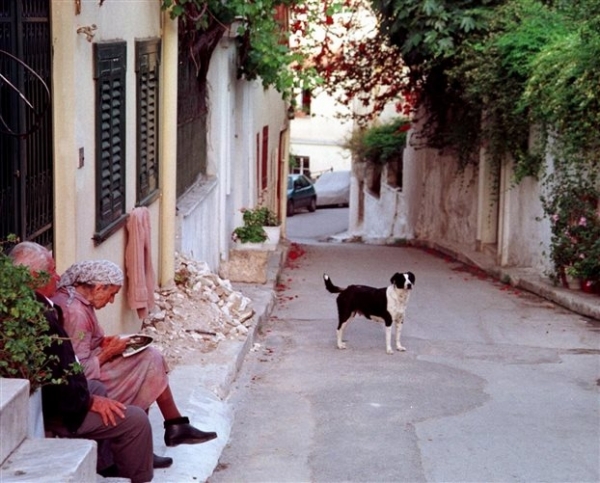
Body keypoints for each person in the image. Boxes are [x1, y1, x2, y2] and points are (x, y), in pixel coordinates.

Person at [9, 242, 154, 483]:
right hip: (61, 406)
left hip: (66, 391)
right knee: (136, 420)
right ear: (34, 277)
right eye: (52, 271)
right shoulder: (45, 315)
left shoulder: (44, 306)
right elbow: (57, 379)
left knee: (100, 387)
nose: (58, 277)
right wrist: (89, 401)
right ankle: (137, 473)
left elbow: (64, 363)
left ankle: (107, 462)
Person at [52, 258, 217, 449]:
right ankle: (156, 434)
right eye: (112, 294)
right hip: (82, 384)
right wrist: (108, 352)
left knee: (149, 357)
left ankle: (168, 429)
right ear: (99, 288)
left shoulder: (78, 299)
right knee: (148, 364)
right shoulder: (76, 313)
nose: (111, 301)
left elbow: (82, 344)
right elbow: (78, 371)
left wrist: (104, 342)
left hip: (90, 368)